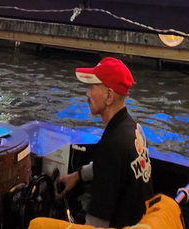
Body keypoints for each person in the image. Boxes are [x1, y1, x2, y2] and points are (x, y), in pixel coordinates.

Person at [58, 57, 153, 227]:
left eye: (93, 87)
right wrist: (78, 176)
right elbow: (111, 166)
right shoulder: (133, 128)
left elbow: (96, 223)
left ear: (109, 96)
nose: (87, 93)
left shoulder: (112, 145)